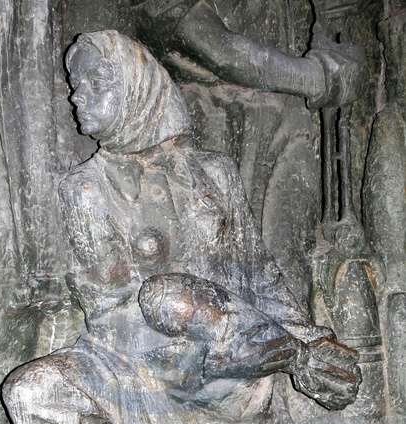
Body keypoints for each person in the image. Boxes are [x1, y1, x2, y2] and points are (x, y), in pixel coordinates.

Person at [3, 31, 391, 424]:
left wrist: (309, 341)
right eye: (74, 83)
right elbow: (108, 307)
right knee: (31, 391)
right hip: (131, 356)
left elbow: (259, 275)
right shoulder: (84, 189)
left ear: (136, 88)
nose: (77, 95)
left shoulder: (213, 174)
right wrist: (177, 352)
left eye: (96, 81)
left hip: (229, 363)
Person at [132, 0, 366, 310]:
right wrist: (320, 77)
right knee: (227, 279)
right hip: (218, 128)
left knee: (287, 263)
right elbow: (215, 47)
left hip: (290, 122)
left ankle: (296, 335)